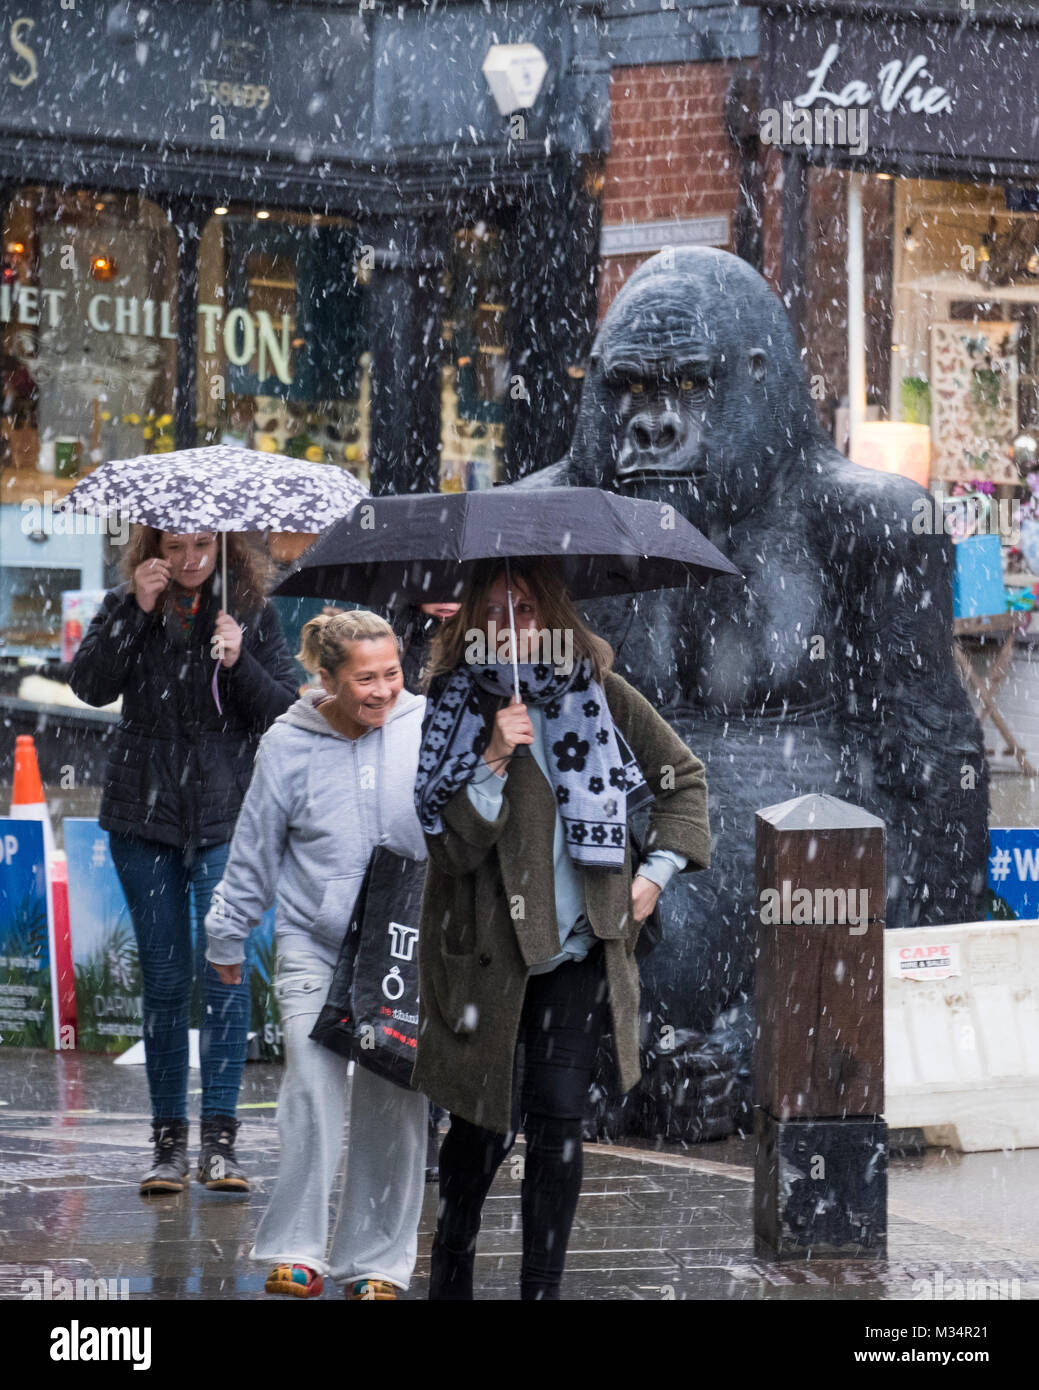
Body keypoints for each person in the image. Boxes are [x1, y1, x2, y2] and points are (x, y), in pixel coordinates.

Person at [412, 559, 711, 1300]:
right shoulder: (453, 705)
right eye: (494, 609)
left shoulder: (599, 694)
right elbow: (450, 847)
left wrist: (655, 873)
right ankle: (452, 1270)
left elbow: (683, 781)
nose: (511, 624)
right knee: (479, 1130)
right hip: (484, 958)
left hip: (578, 951)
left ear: (551, 616)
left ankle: (540, 1290)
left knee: (559, 1123)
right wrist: (489, 755)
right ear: (470, 622)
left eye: (525, 607)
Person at [204, 610, 430, 1301]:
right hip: (313, 941)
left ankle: (378, 1263)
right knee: (310, 1086)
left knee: (393, 1101)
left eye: (392, 673)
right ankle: (298, 1248)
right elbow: (256, 844)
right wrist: (227, 932)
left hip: (399, 945)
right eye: (366, 678)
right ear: (325, 679)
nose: (384, 690)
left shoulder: (426, 727)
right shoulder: (288, 743)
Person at [69, 528, 298, 1195]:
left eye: (201, 544)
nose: (189, 559)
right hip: (142, 820)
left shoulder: (251, 609)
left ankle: (220, 1145)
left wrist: (240, 663)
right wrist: (134, 616)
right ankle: (168, 1144)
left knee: (223, 973)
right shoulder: (127, 603)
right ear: (152, 548)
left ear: (222, 546)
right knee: (167, 981)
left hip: (227, 819)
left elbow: (285, 711)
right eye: (174, 546)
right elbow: (88, 686)